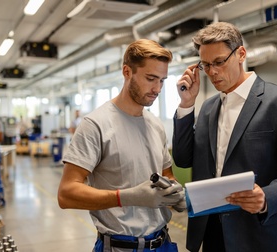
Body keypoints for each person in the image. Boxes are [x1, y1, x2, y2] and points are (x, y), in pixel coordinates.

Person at [172, 22, 277, 252]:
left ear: (241, 54)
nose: (212, 72)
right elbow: (183, 158)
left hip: (259, 232)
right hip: (212, 231)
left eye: (219, 62)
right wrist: (187, 105)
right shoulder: (208, 108)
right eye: (205, 65)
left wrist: (266, 198)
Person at [58, 39, 185, 252]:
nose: (157, 88)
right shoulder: (95, 125)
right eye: (151, 78)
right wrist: (125, 197)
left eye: (162, 80)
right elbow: (66, 193)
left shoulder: (155, 124)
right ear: (127, 71)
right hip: (120, 247)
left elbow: (166, 176)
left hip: (163, 243)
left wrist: (175, 194)